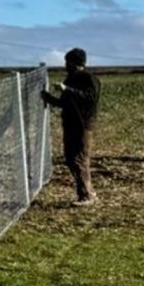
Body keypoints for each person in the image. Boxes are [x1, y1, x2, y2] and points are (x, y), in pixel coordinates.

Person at [43, 48, 100, 203]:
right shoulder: (70, 79)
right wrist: (48, 98)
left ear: (77, 63)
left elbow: (90, 97)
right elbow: (64, 103)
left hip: (83, 124)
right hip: (70, 124)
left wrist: (67, 89)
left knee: (78, 159)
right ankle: (89, 191)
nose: (65, 65)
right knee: (72, 159)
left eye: (68, 62)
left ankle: (86, 195)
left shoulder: (88, 78)